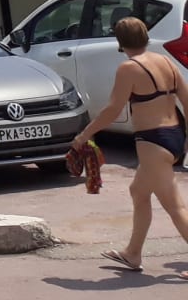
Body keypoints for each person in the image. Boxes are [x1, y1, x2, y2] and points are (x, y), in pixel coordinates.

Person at [70, 17, 188, 272]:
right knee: (139, 192)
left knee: (175, 206)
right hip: (175, 136)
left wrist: (84, 135)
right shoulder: (166, 61)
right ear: (145, 36)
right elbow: (187, 101)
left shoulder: (129, 68)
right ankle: (133, 253)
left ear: (120, 42)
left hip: (153, 142)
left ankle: (134, 253)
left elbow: (113, 110)